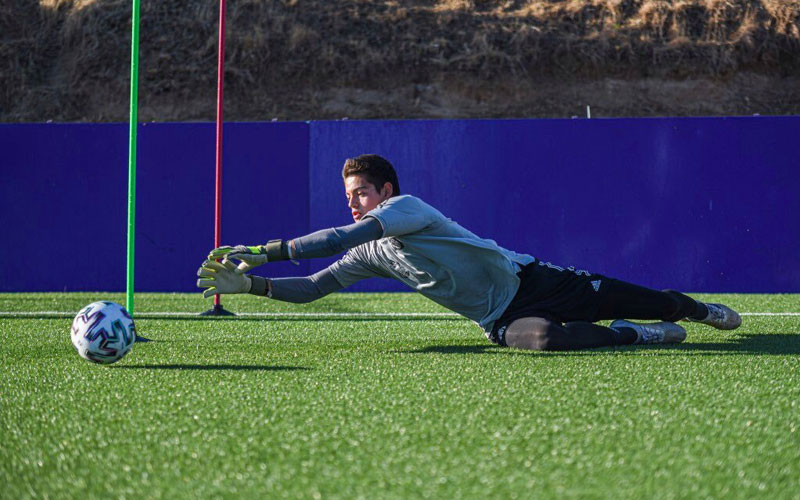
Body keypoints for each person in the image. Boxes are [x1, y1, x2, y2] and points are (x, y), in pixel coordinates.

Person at [196, 154, 741, 351]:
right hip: (500, 316)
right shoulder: (372, 254)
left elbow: (339, 239)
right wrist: (253, 287)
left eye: (362, 193)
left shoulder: (407, 208)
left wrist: (266, 252)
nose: (356, 204)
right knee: (544, 341)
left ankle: (692, 310)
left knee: (654, 301)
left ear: (386, 191)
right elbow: (316, 287)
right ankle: (635, 334)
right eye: (349, 197)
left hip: (531, 281)